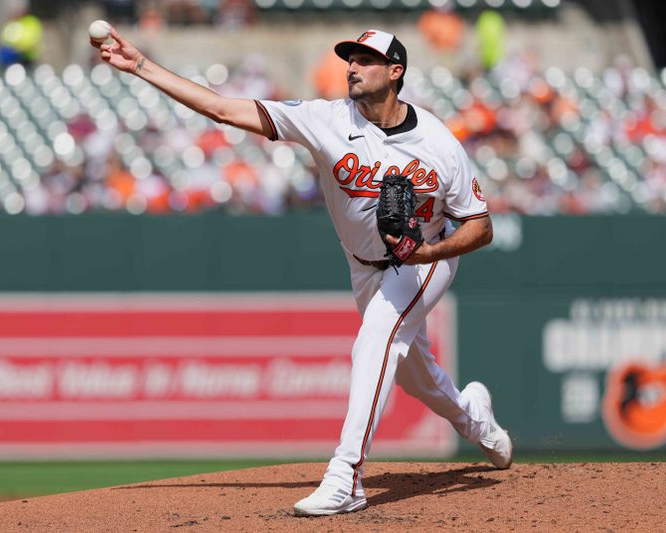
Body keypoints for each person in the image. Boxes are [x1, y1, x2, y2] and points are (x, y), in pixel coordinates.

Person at [91, 27, 512, 516]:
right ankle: (478, 422)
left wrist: (426, 253)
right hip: (363, 266)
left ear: (395, 71)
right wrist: (142, 66)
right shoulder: (325, 119)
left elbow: (481, 228)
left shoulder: (437, 142)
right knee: (415, 377)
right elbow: (222, 109)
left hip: (423, 262)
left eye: (366, 59)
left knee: (375, 338)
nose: (352, 66)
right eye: (349, 58)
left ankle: (347, 476)